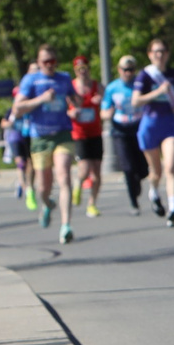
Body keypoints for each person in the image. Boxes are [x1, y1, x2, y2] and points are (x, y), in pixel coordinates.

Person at [13, 46, 77, 244]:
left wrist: (77, 107)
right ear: (39, 63)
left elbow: (77, 100)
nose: (49, 65)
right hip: (40, 137)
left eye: (52, 61)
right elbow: (17, 110)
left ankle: (66, 226)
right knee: (43, 186)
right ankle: (48, 204)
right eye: (45, 62)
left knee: (64, 176)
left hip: (62, 135)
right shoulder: (31, 80)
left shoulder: (64, 78)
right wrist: (41, 99)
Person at [131, 38, 174, 225]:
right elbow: (135, 101)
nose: (159, 55)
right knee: (156, 172)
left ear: (167, 54)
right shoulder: (145, 75)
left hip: (169, 125)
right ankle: (153, 191)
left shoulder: (173, 74)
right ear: (150, 54)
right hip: (150, 126)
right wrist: (158, 92)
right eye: (156, 52)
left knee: (170, 168)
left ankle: (173, 210)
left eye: (162, 51)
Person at [104, 53, 148, 214]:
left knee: (143, 170)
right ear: (119, 70)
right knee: (128, 168)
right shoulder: (112, 88)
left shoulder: (140, 84)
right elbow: (103, 111)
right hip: (120, 130)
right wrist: (107, 114)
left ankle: (137, 182)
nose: (128, 73)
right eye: (125, 70)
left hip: (139, 128)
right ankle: (133, 202)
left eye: (131, 70)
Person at [68, 55, 106, 217]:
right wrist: (72, 113)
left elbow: (109, 101)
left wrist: (101, 100)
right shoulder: (71, 88)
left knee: (97, 172)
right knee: (84, 170)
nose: (82, 71)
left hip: (95, 132)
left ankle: (92, 204)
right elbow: (64, 110)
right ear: (75, 71)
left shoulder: (97, 86)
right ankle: (78, 185)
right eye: (79, 69)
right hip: (79, 134)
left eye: (85, 68)